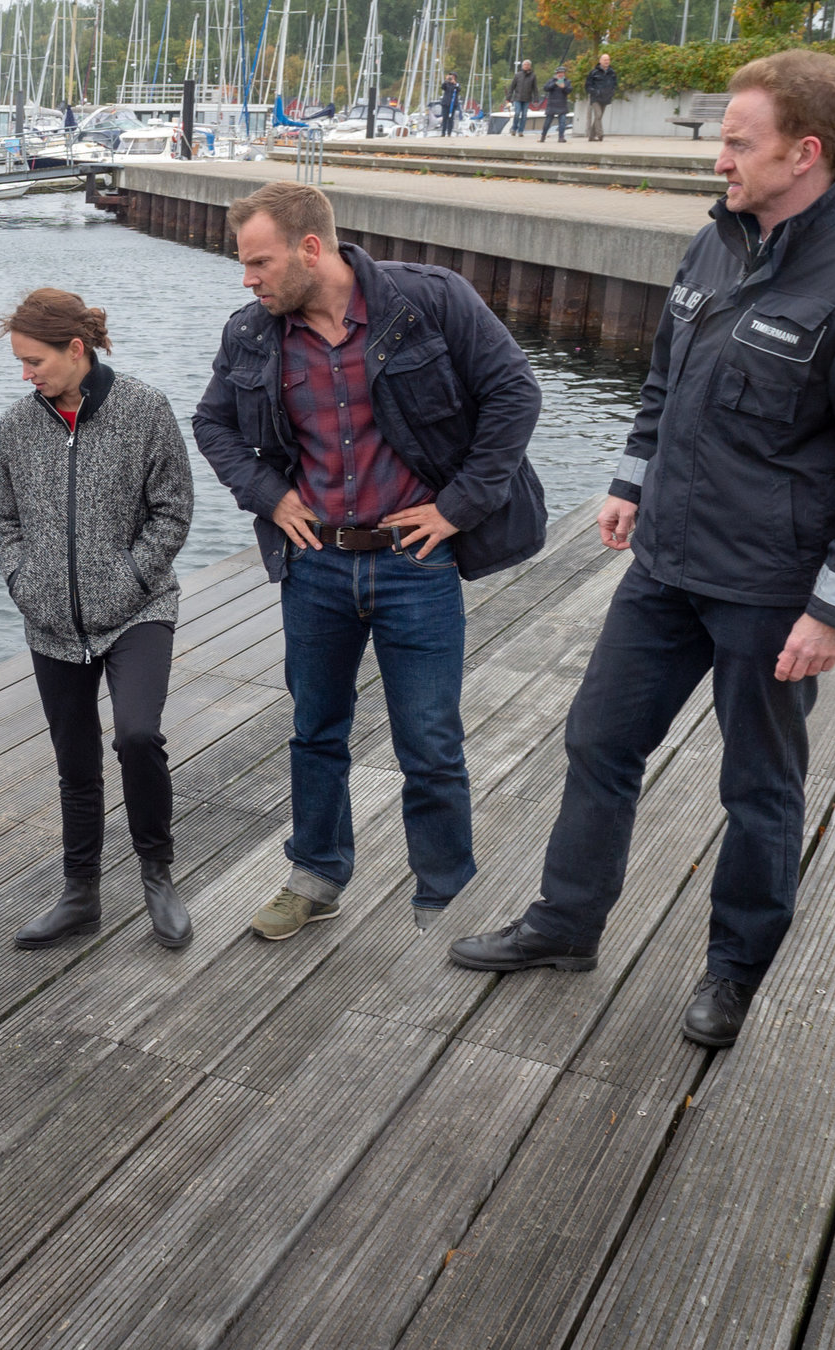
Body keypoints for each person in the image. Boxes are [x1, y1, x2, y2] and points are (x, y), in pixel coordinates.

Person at [448, 50, 835, 1049]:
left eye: (735, 142)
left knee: (756, 785)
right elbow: (664, 382)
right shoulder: (714, 247)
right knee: (598, 738)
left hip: (768, 590)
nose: (716, 159)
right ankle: (566, 920)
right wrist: (629, 480)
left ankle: (733, 970)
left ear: (803, 154)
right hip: (666, 566)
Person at [194, 181, 546, 943]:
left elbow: (514, 395)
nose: (246, 278)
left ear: (309, 249)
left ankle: (446, 893)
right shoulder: (253, 334)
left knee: (429, 738)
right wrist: (268, 496)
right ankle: (315, 876)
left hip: (413, 563)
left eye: (258, 261)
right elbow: (212, 423)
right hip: (314, 565)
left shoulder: (429, 301)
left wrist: (456, 507)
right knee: (315, 728)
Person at [0, 289, 196, 951]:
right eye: (20, 363)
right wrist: (24, 581)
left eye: (34, 360)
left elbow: (172, 511)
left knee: (137, 735)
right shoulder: (18, 425)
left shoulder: (145, 410)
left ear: (75, 349)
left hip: (138, 611)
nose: (26, 375)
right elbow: (4, 517)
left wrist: (131, 576)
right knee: (73, 761)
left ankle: (157, 875)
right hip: (51, 621)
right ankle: (80, 895)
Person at [586, 52, 618, 142]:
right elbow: (588, 85)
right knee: (598, 115)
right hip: (596, 98)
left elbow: (614, 84)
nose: (606, 61)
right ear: (600, 61)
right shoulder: (594, 72)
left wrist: (612, 92)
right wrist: (595, 92)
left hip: (606, 98)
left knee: (598, 117)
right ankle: (600, 134)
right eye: (604, 60)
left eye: (608, 60)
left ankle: (591, 136)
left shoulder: (612, 72)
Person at [508, 60, 538, 138]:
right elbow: (512, 87)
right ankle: (514, 129)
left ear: (530, 66)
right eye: (525, 64)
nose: (526, 66)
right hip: (517, 98)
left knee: (524, 115)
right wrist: (508, 98)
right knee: (517, 113)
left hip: (527, 98)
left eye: (528, 65)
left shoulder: (533, 76)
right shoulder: (518, 75)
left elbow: (535, 88)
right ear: (522, 66)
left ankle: (521, 131)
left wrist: (536, 99)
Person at [541, 66, 572, 143]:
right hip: (552, 104)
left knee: (562, 122)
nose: (561, 74)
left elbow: (569, 90)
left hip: (562, 104)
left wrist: (563, 87)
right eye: (559, 73)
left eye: (562, 73)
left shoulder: (567, 82)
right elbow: (546, 88)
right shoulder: (551, 81)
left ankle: (561, 137)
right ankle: (543, 136)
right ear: (556, 73)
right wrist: (555, 84)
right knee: (548, 122)